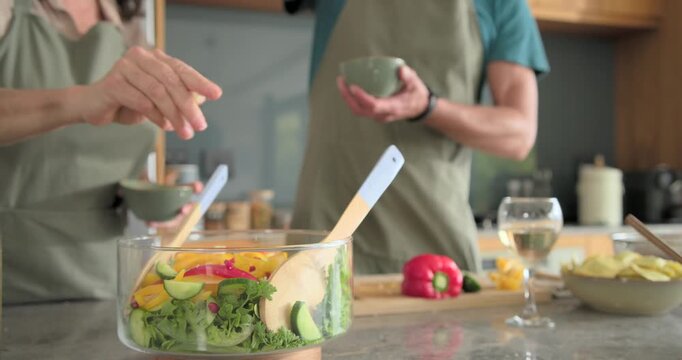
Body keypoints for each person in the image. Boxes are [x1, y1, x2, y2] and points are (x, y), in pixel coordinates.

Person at [286, 0, 549, 273]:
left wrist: (428, 107)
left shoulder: (500, 5)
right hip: (325, 237)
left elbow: (518, 135)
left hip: (434, 244)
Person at [0, 0, 222, 304]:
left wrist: (152, 197)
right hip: (14, 284)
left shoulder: (126, 20)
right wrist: (81, 102)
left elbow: (106, 156)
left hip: (103, 287)